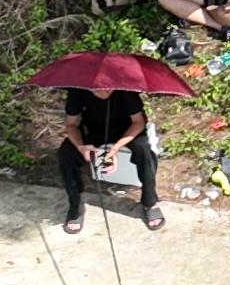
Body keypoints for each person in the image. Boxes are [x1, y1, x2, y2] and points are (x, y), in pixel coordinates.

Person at [57, 79, 162, 231]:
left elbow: (138, 122)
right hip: (93, 131)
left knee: (143, 149)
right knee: (65, 153)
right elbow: (71, 124)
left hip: (126, 130)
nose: (104, 91)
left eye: (108, 87)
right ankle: (75, 205)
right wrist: (81, 147)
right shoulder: (77, 90)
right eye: (97, 89)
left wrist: (115, 148)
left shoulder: (125, 89)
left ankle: (150, 202)